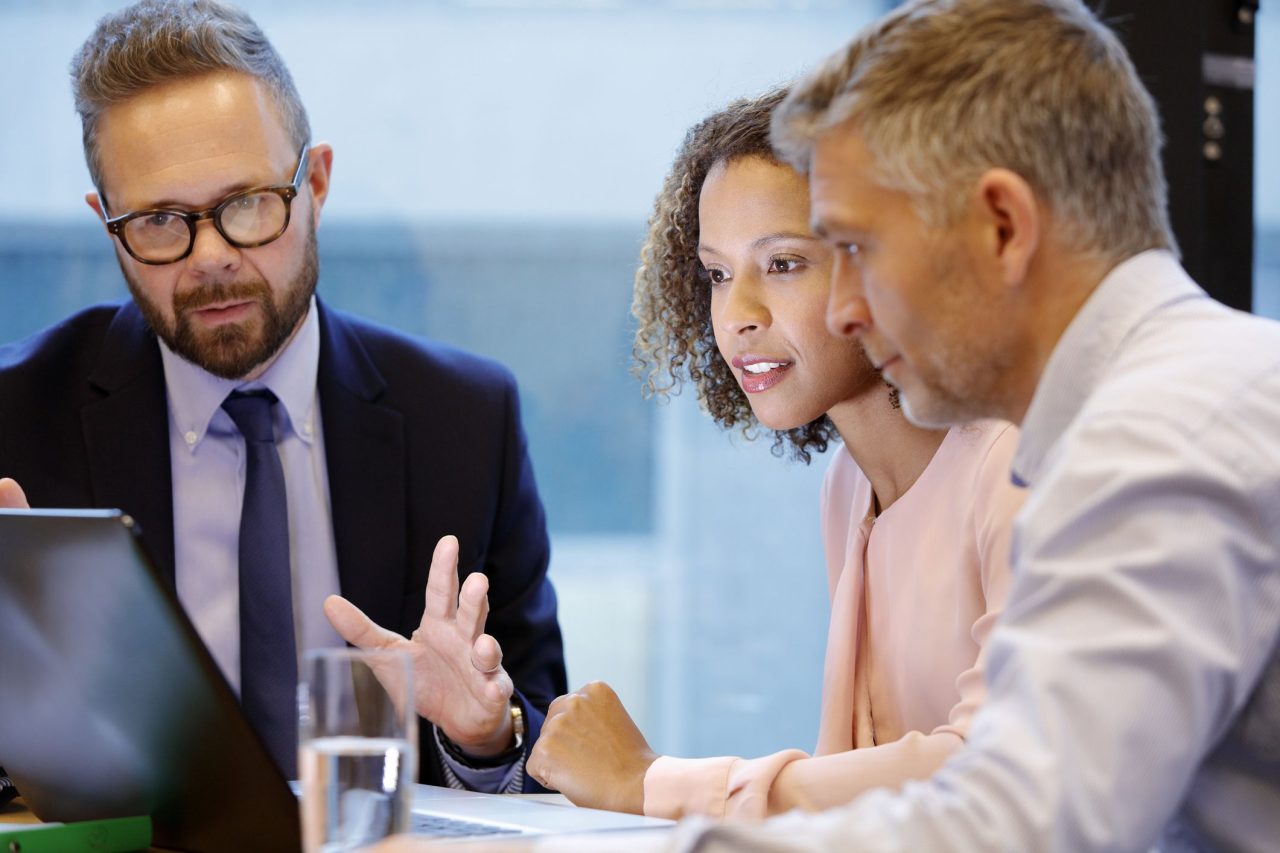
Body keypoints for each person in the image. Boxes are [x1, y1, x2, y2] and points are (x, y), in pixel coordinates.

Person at [648, 0, 1280, 849]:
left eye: (860, 250)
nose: (845, 308)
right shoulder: (1187, 392)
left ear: (1003, 227)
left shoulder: (1155, 435)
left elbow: (1026, 819)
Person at [0, 0, 565, 793]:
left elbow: (547, 750)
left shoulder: (466, 422)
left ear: (317, 183)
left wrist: (482, 734)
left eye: (247, 206)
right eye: (161, 220)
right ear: (107, 224)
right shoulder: (14, 424)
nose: (211, 258)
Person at [522, 90, 1024, 821]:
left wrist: (654, 781)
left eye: (783, 263)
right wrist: (496, 728)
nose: (738, 315)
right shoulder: (848, 486)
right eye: (719, 274)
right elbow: (857, 801)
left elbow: (992, 770)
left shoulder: (1013, 462)